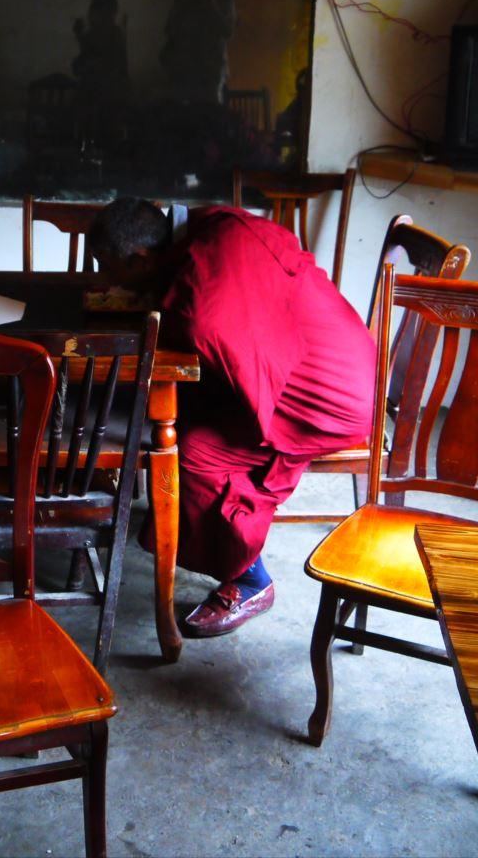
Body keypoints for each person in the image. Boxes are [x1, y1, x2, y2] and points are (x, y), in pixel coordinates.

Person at [90, 198, 375, 637]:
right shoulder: (215, 223)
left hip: (328, 396)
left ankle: (250, 579)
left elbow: (214, 334)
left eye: (109, 268)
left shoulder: (202, 295)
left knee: (194, 452)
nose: (105, 279)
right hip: (352, 355)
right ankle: (178, 524)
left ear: (142, 258)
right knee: (177, 408)